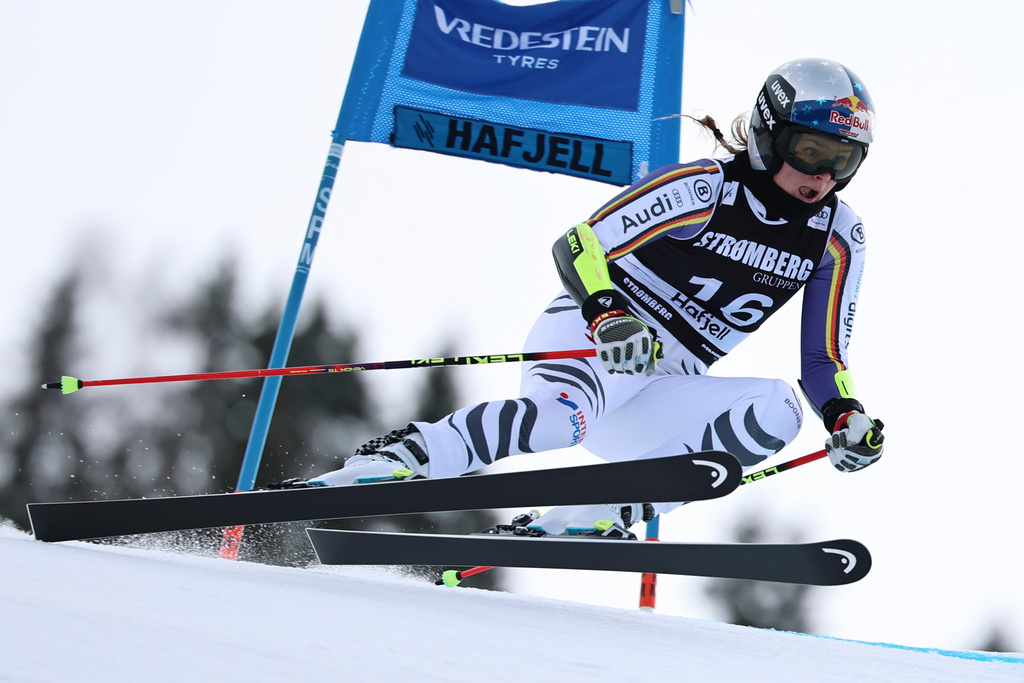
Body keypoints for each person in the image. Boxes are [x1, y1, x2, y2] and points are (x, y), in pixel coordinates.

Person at [303, 58, 885, 538]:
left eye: (844, 161)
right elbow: (580, 243)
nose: (824, 176)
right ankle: (406, 456)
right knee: (560, 425)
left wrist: (844, 416)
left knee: (779, 410)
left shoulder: (838, 237)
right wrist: (607, 316)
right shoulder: (705, 189)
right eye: (812, 151)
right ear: (769, 134)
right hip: (600, 342)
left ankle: (599, 512)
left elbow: (823, 359)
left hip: (665, 383)